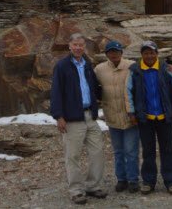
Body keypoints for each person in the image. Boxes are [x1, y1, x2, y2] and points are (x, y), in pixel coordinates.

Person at [50, 33, 107, 205]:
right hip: (72, 118)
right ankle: (76, 190)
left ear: (84, 47)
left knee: (97, 152)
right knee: (72, 156)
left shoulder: (87, 64)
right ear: (69, 46)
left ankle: (93, 185)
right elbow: (56, 92)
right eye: (75, 44)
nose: (78, 48)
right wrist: (58, 116)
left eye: (81, 45)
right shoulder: (62, 66)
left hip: (90, 116)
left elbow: (95, 87)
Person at [126, 40, 172, 195]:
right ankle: (149, 181)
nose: (149, 55)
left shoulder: (165, 70)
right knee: (148, 151)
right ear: (141, 55)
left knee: (167, 150)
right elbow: (128, 92)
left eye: (151, 52)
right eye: (146, 53)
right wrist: (131, 113)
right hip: (145, 119)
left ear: (157, 54)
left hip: (164, 118)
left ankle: (170, 180)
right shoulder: (135, 71)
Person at [94, 40, 139, 194]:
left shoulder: (131, 65)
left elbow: (148, 69)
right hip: (112, 115)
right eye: (110, 52)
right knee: (118, 151)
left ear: (121, 52)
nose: (114, 54)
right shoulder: (99, 69)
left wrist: (167, 68)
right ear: (106, 54)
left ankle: (133, 180)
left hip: (130, 116)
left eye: (116, 51)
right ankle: (121, 179)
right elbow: (91, 85)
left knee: (131, 151)